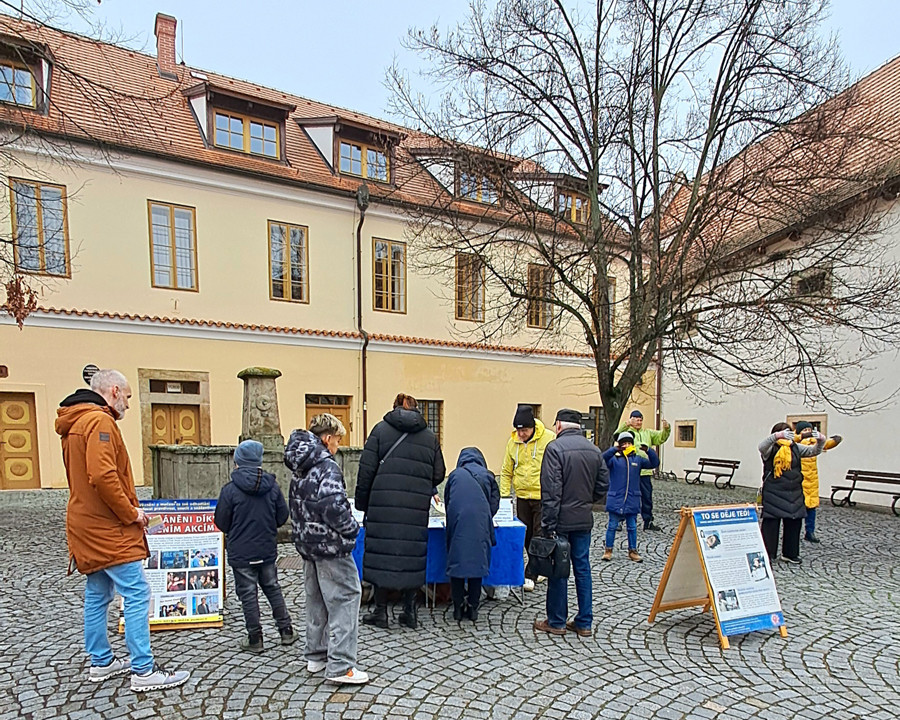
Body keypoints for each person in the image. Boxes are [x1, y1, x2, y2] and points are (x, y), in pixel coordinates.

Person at [55, 368, 189, 693]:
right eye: (127, 396)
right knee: (137, 592)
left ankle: (102, 662)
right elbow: (102, 476)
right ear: (114, 391)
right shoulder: (99, 422)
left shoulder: (76, 421)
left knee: (98, 594)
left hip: (87, 524)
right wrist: (131, 513)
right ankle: (143, 670)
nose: (128, 403)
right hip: (108, 528)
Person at [285, 414, 368, 685]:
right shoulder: (326, 466)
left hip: (308, 543)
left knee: (317, 599)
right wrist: (352, 528)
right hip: (331, 546)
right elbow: (334, 506)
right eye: (338, 439)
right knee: (345, 598)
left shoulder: (300, 464)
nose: (339, 445)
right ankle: (341, 665)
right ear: (327, 438)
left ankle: (316, 655)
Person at [355, 393, 446, 630]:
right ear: (416, 410)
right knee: (411, 556)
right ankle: (409, 611)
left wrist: (362, 504)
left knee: (382, 555)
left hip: (382, 505)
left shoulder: (380, 431)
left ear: (394, 408)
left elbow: (365, 472)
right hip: (414, 507)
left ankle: (381, 612)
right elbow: (438, 473)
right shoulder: (429, 437)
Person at [533, 409, 609, 638]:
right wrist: (585, 502)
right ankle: (584, 622)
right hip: (583, 519)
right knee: (583, 569)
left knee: (558, 570)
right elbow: (603, 485)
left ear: (558, 426)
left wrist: (547, 523)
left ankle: (557, 621)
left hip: (560, 521)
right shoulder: (595, 451)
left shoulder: (555, 449)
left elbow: (551, 490)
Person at [214, 439, 295, 653]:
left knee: (248, 594)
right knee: (273, 587)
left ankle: (255, 638)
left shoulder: (229, 490)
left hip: (241, 551)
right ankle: (286, 630)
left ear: (238, 462)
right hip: (266, 548)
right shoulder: (272, 487)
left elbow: (221, 522)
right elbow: (283, 516)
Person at [499, 404, 555, 592]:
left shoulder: (549, 438)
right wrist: (504, 497)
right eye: (518, 430)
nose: (521, 434)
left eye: (524, 430)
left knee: (539, 536)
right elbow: (506, 471)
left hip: (542, 496)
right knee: (526, 535)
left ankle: (530, 574)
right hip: (522, 496)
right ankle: (539, 567)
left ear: (532, 427)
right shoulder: (512, 442)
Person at [444, 447, 500, 624]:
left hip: (458, 524)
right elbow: (494, 503)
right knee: (477, 567)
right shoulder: (488, 475)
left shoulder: (454, 476)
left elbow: (448, 502)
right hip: (480, 526)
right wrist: (484, 517)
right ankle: (473, 608)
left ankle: (458, 608)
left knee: (457, 565)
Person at [758, 423, 825, 564]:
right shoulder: (771, 449)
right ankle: (768, 553)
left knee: (794, 522)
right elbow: (761, 446)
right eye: (783, 433)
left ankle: (790, 553)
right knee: (771, 523)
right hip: (774, 491)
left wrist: (821, 440)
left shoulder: (795, 447)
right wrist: (776, 437)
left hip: (793, 491)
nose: (787, 435)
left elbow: (813, 451)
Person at [601, 431, 659, 563]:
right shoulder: (614, 460)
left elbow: (654, 463)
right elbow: (602, 458)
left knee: (632, 527)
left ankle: (633, 551)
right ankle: (608, 550)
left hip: (632, 499)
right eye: (624, 444)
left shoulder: (637, 460)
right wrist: (614, 449)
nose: (627, 445)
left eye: (629, 443)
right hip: (616, 498)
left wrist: (649, 450)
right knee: (612, 526)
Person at [616, 410, 671, 531]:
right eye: (636, 420)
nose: (639, 422)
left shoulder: (648, 433)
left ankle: (648, 521)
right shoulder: (627, 432)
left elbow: (661, 438)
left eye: (641, 420)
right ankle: (619, 521)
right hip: (630, 471)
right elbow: (616, 435)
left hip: (645, 472)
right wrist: (626, 424)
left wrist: (667, 429)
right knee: (626, 496)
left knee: (647, 497)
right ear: (631, 420)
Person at [793, 421, 843, 543]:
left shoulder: (815, 442)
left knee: (811, 508)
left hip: (812, 480)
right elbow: (790, 439)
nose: (807, 432)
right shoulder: (795, 441)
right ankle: (795, 532)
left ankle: (810, 532)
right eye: (804, 430)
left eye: (808, 430)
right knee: (798, 508)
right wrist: (802, 436)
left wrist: (836, 439)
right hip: (799, 478)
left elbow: (827, 444)